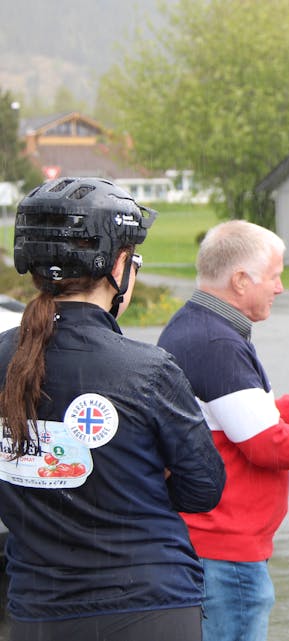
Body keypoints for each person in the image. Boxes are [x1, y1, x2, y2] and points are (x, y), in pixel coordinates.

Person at [0, 177, 226, 640]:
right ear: (118, 266)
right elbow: (203, 489)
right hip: (148, 607)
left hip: (37, 612)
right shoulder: (148, 369)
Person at [156, 220, 289, 641]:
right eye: (275, 276)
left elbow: (239, 418)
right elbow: (265, 443)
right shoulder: (215, 343)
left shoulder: (199, 326)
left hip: (211, 543)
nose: (280, 288)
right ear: (241, 280)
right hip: (224, 551)